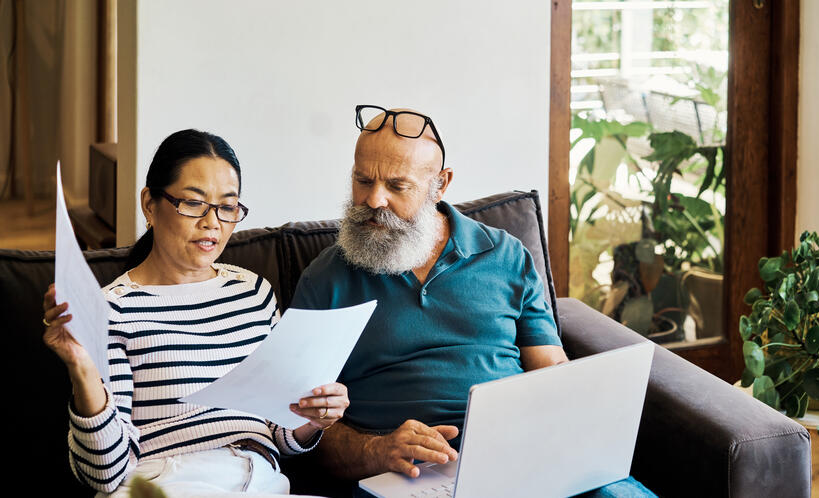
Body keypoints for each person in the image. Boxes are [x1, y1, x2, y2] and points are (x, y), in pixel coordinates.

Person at [291, 106, 654, 497]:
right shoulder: (326, 278)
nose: (374, 199)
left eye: (397, 186)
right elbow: (300, 430)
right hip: (405, 477)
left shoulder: (506, 256)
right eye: (363, 180)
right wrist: (377, 450)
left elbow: (553, 372)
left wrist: (568, 436)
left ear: (440, 184)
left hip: (519, 455)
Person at [42, 129, 348, 497]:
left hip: (262, 480)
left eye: (227, 206)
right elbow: (105, 473)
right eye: (193, 203)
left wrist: (314, 418)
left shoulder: (254, 292)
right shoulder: (113, 308)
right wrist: (82, 370)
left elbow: (281, 434)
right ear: (149, 204)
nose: (212, 222)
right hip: (170, 480)